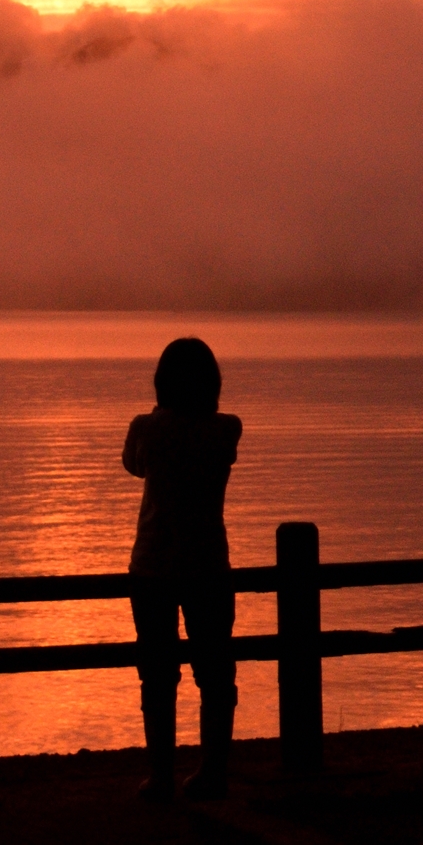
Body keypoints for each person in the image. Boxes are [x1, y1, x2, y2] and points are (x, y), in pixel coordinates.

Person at [122, 334, 241, 800]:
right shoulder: (226, 429)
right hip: (209, 562)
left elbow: (133, 465)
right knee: (215, 672)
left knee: (157, 672)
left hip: (153, 565)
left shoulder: (147, 429)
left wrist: (158, 416)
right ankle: (213, 770)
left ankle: (161, 775)